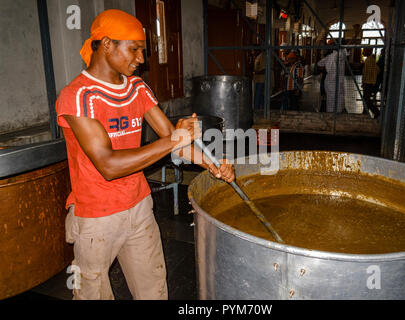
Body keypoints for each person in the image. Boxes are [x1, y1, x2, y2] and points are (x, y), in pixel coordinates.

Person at [55, 9, 234, 300]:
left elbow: (171, 140)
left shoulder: (137, 88)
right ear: (107, 44)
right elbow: (108, 165)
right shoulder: (78, 96)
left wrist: (212, 165)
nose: (141, 58)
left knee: (154, 289)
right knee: (92, 295)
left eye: (142, 50)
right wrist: (176, 138)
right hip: (96, 218)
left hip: (139, 207)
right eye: (134, 49)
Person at [316, 39, 348, 113]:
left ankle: (333, 116)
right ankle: (334, 117)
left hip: (331, 83)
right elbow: (319, 64)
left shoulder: (336, 55)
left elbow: (319, 65)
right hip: (333, 83)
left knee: (333, 102)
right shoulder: (334, 55)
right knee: (334, 102)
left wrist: (325, 69)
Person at [362, 48, 380, 118]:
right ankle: (365, 112)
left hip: (368, 83)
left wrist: (364, 82)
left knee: (366, 99)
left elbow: (366, 73)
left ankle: (376, 112)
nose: (363, 52)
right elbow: (377, 70)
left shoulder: (369, 60)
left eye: (364, 50)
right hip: (370, 82)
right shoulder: (371, 59)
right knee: (366, 98)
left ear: (369, 51)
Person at [253, 46, 266, 110]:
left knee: (258, 95)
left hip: (261, 79)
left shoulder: (262, 56)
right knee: (260, 96)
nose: (253, 52)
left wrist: (255, 73)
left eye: (254, 50)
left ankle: (256, 109)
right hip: (257, 79)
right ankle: (261, 108)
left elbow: (264, 70)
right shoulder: (257, 57)